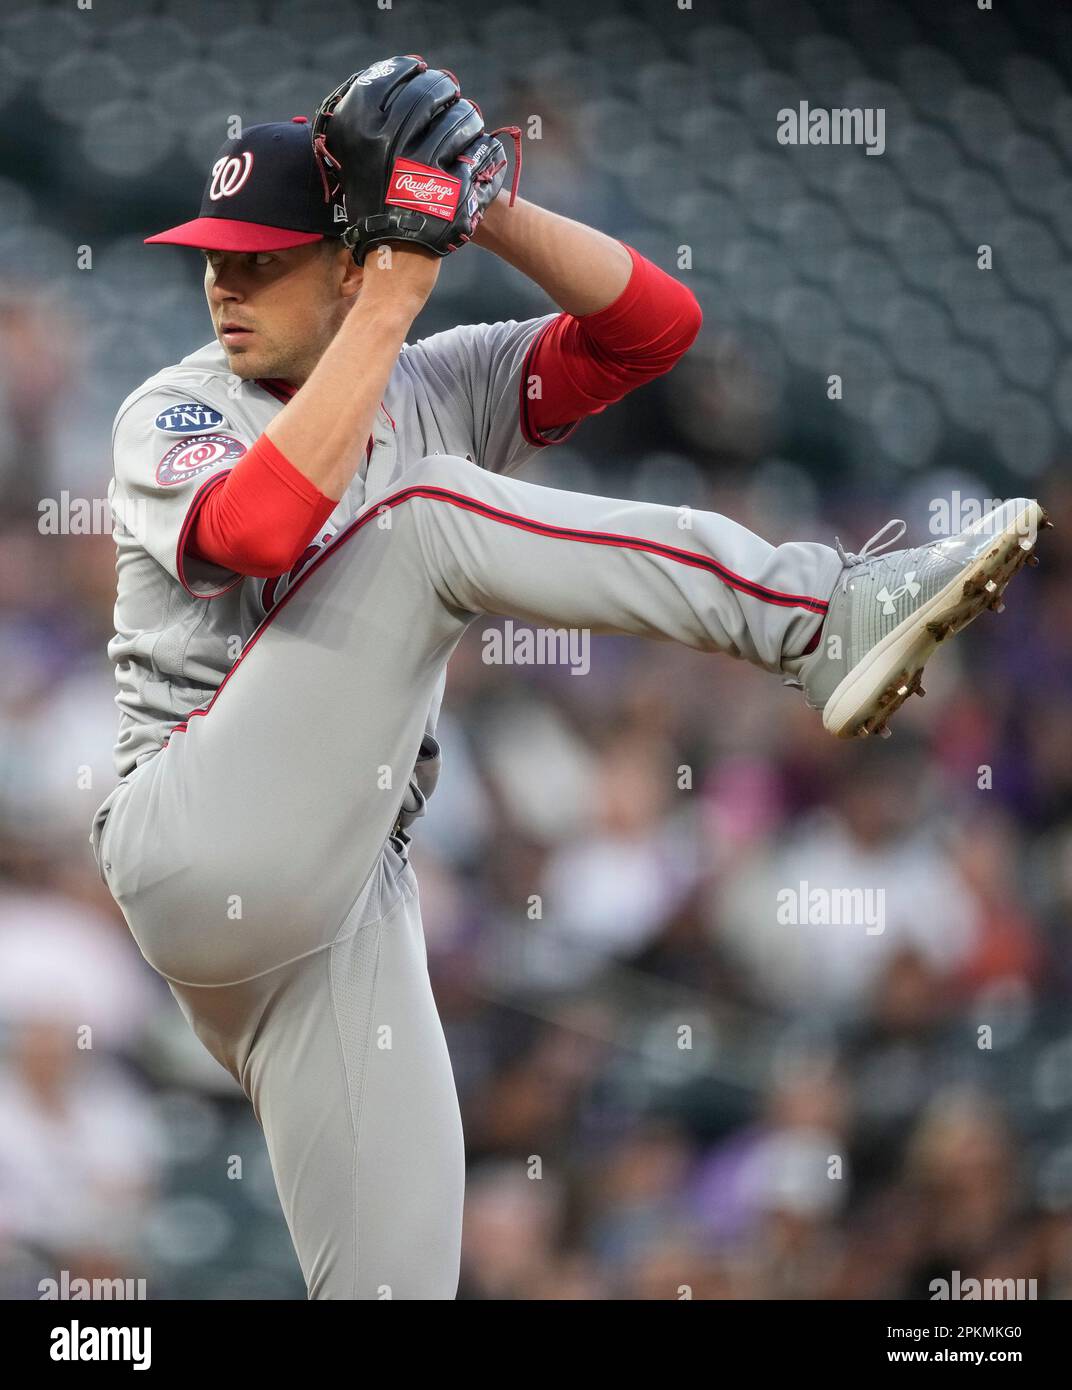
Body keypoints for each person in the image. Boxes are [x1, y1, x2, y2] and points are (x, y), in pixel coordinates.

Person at [89, 82, 1045, 1299]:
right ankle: (818, 610)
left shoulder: (433, 383)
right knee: (428, 513)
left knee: (399, 1282)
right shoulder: (174, 405)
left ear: (341, 261)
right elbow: (264, 526)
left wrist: (481, 208)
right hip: (194, 832)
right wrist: (393, 287)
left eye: (263, 260)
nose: (223, 284)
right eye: (214, 260)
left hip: (339, 904)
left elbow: (654, 328)